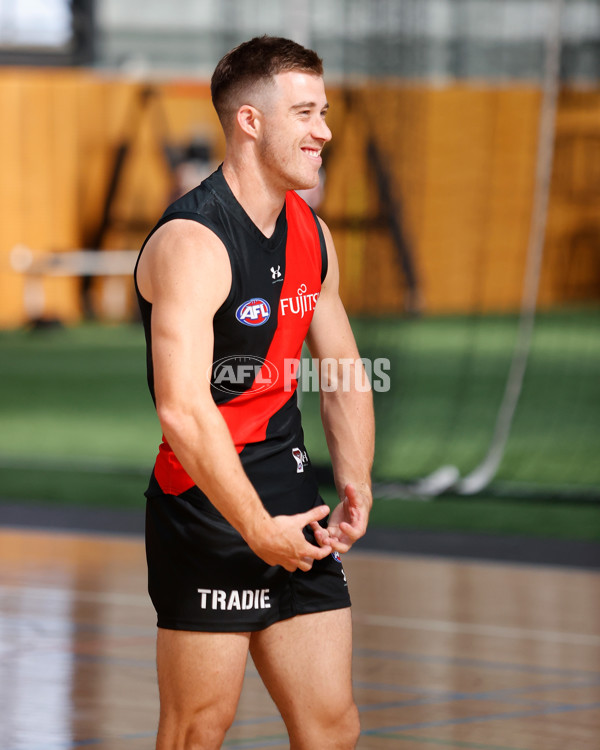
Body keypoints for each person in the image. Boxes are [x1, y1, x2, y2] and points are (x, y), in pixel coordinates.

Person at [134, 35, 374, 750]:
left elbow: (342, 372)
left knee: (332, 726)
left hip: (294, 503)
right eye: (305, 113)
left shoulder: (312, 233)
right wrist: (252, 525)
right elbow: (181, 408)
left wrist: (356, 482)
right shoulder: (193, 242)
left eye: (323, 111)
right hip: (205, 509)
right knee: (199, 727)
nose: (324, 131)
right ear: (250, 121)